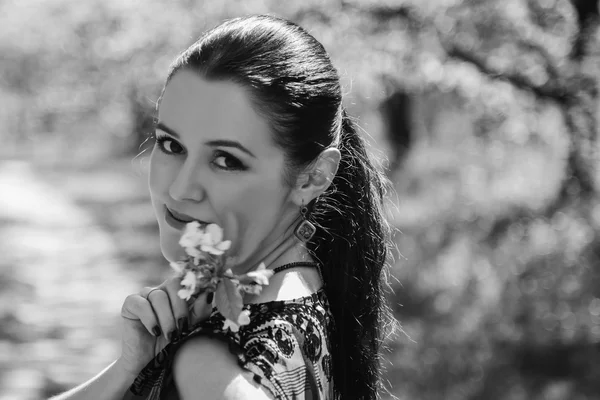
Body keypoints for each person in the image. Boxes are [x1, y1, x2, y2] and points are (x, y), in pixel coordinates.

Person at [51, 14, 394, 400]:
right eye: (171, 145)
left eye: (226, 160)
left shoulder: (210, 367)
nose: (181, 189)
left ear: (312, 178)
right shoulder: (304, 293)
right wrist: (130, 369)